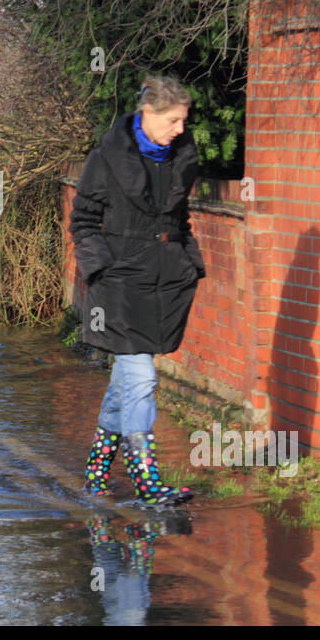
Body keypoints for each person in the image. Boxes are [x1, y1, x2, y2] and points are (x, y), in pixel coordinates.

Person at [68, 73, 206, 507]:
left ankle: (95, 473)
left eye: (184, 121)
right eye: (173, 120)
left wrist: (189, 261)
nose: (181, 129)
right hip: (118, 286)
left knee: (124, 385)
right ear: (147, 113)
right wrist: (101, 270)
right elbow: (83, 221)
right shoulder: (107, 158)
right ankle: (147, 479)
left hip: (165, 281)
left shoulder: (182, 155)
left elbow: (179, 220)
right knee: (142, 379)